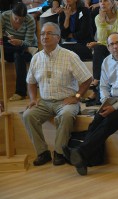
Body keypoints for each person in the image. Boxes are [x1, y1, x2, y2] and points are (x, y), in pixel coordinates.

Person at [64, 32, 118, 176]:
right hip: (113, 99)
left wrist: (114, 107)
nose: (115, 46)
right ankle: (88, 159)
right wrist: (105, 101)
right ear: (107, 47)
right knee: (95, 121)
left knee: (108, 122)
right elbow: (103, 85)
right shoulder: (107, 61)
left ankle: (81, 153)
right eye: (111, 44)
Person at [23, 22, 92, 166]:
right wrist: (33, 98)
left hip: (65, 101)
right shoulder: (36, 58)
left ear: (58, 38)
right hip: (44, 101)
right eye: (42, 34)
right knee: (28, 115)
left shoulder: (70, 56)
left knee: (66, 115)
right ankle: (43, 153)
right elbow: (30, 81)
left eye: (49, 33)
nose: (44, 37)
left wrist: (77, 97)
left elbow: (87, 79)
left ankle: (59, 153)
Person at [82, 0, 118, 104]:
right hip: (108, 46)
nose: (102, 3)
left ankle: (96, 85)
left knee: (101, 47)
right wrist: (102, 22)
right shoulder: (98, 18)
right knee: (98, 49)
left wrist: (99, 42)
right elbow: (102, 39)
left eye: (106, 1)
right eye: (100, 1)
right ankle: (97, 82)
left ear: (112, 3)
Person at [1, 2, 37, 101]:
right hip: (10, 47)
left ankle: (20, 92)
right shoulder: (4, 16)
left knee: (18, 55)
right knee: (7, 46)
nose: (17, 21)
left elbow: (28, 42)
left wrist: (20, 42)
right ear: (11, 12)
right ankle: (26, 50)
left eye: (21, 20)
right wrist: (7, 36)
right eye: (15, 18)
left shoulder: (30, 20)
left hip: (26, 48)